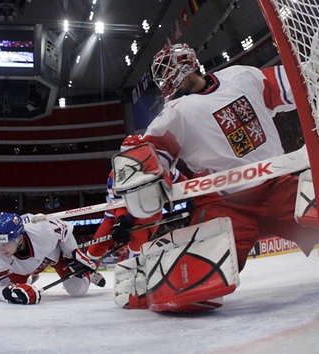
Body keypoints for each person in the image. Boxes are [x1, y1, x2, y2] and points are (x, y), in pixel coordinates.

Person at [115, 43, 319, 311]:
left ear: (187, 69)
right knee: (192, 294)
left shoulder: (242, 76)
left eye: (167, 72)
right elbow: (150, 160)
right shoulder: (176, 112)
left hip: (278, 187)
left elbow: (300, 85)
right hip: (225, 207)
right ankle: (144, 280)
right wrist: (132, 205)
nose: (165, 82)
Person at [86, 135, 186, 265]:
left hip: (148, 211)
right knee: (96, 247)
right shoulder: (114, 175)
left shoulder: (159, 167)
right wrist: (120, 220)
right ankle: (87, 270)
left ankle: (133, 268)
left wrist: (188, 197)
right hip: (116, 213)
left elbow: (183, 183)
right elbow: (116, 202)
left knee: (137, 239)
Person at [0, 212, 105, 305]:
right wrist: (7, 294)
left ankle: (89, 275)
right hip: (21, 270)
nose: (0, 248)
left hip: (54, 255)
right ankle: (28, 279)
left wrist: (72, 253)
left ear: (20, 239)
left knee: (78, 291)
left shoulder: (42, 230)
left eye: (5, 243)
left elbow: (64, 229)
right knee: (21, 291)